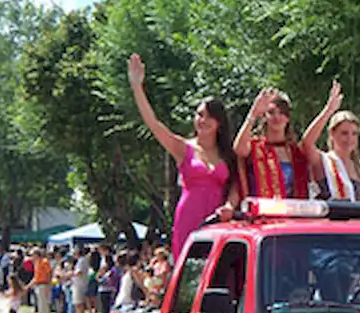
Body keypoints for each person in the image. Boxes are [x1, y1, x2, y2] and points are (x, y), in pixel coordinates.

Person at [128, 53, 236, 257]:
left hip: (218, 221)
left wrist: (230, 205)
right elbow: (154, 124)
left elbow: (236, 186)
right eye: (199, 114)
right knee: (189, 273)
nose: (202, 120)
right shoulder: (183, 148)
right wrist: (137, 87)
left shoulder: (228, 153)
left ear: (219, 122)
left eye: (209, 116)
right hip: (189, 218)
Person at [301, 81, 360, 202]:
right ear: (332, 134)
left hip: (355, 220)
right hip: (327, 220)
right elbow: (306, 143)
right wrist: (329, 110)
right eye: (344, 133)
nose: (350, 139)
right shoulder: (322, 161)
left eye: (354, 134)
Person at [233, 87, 310, 201]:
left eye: (282, 112)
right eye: (271, 112)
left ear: (288, 117)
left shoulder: (295, 152)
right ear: (264, 117)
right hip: (261, 213)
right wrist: (253, 114)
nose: (277, 117)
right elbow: (238, 149)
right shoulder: (255, 146)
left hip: (290, 213)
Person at [26, 248, 52, 313]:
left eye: (32, 255)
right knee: (40, 304)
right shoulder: (36, 263)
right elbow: (36, 277)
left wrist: (48, 285)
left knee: (44, 304)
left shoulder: (44, 262)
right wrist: (28, 286)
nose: (31, 257)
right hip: (38, 284)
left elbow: (49, 273)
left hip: (44, 284)